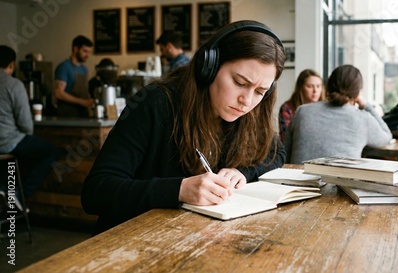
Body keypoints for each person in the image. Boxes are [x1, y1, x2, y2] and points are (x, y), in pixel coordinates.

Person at [82, 20, 287, 235]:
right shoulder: (155, 103)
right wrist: (179, 189)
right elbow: (96, 192)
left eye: (260, 91)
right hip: (129, 243)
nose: (246, 101)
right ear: (209, 66)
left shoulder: (249, 113)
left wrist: (243, 172)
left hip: (194, 240)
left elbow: (277, 152)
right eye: (240, 82)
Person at [285, 64, 392, 164]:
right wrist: (365, 104)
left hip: (297, 181)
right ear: (358, 93)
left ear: (327, 86)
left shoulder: (302, 112)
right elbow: (387, 136)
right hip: (340, 183)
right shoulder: (363, 119)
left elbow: (287, 152)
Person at [0, 45, 60, 208]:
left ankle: (4, 188)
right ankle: (20, 194)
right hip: (8, 142)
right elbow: (26, 126)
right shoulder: (14, 85)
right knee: (52, 152)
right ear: (12, 64)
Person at [278, 69, 325, 141]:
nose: (315, 90)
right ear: (301, 88)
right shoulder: (288, 108)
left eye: (318, 86)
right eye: (310, 86)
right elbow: (286, 137)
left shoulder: (325, 107)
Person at [54, 35, 94, 117]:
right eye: (85, 51)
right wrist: (82, 102)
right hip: (67, 115)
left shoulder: (84, 69)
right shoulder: (64, 67)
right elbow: (58, 93)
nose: (87, 55)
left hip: (82, 114)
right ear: (76, 49)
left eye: (89, 52)